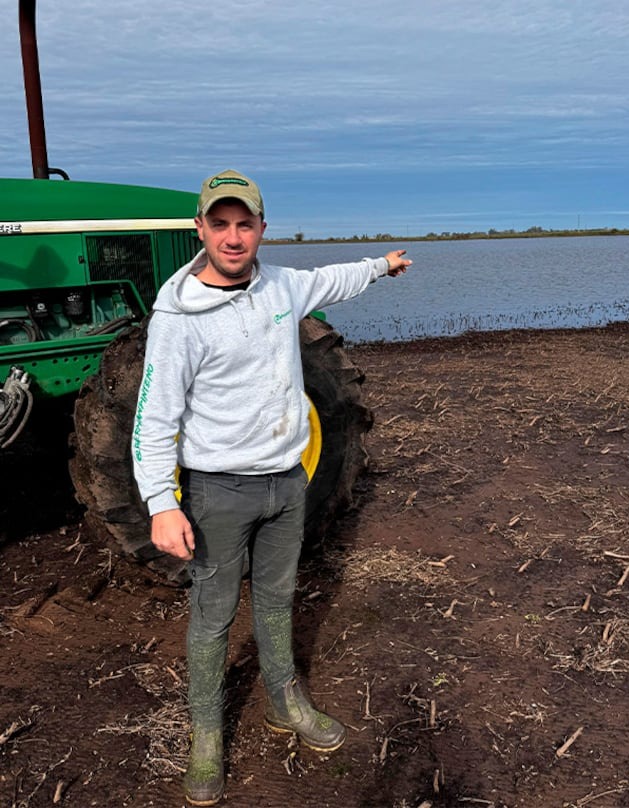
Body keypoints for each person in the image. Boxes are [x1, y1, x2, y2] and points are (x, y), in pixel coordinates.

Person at [130, 169, 413, 806]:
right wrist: (161, 503)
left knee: (279, 597)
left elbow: (333, 279)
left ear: (262, 228)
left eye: (245, 224)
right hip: (218, 492)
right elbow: (154, 418)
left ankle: (284, 699)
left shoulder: (282, 284)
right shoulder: (177, 317)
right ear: (200, 229)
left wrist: (381, 265)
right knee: (213, 615)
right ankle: (207, 732)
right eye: (220, 224)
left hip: (288, 483)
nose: (233, 237)